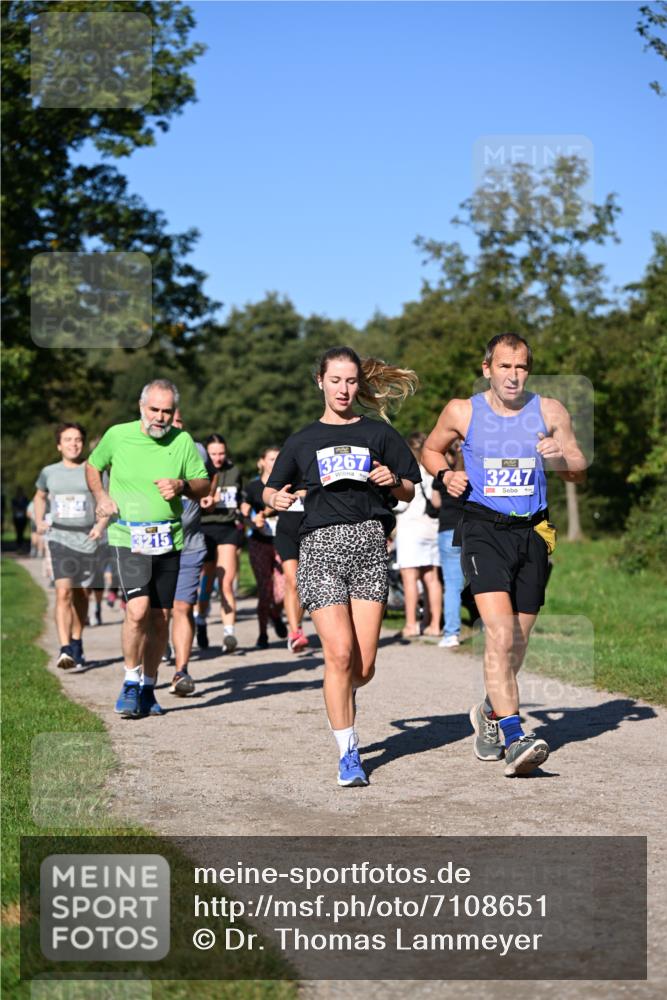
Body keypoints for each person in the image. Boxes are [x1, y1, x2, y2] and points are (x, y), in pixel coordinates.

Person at [423, 333, 586, 776]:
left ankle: (490, 714)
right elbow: (431, 449)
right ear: (486, 369)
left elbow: (578, 469)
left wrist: (560, 458)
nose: (513, 376)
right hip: (482, 530)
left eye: (521, 367)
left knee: (517, 641)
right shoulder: (463, 410)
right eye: (504, 367)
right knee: (499, 634)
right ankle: (516, 738)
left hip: (533, 533)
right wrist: (444, 476)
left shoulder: (550, 410)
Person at [263, 346, 421, 787]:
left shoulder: (379, 434)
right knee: (338, 654)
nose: (344, 389)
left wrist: (395, 481)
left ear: (359, 384)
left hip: (370, 547)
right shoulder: (302, 440)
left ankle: (342, 694)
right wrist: (274, 498)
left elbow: (409, 489)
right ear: (320, 382)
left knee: (363, 667)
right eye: (335, 380)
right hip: (319, 548)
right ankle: (348, 752)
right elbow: (270, 489)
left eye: (351, 381)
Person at [86, 379, 209, 718]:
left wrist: (182, 485)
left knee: (160, 616)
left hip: (169, 538)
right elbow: (93, 465)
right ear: (142, 407)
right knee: (137, 610)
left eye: (166, 411)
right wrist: (102, 497)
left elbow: (203, 484)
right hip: (129, 537)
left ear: (174, 413)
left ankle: (149, 687)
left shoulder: (182, 441)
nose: (159, 417)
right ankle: (129, 680)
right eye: (154, 409)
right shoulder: (118, 435)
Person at [34, 423, 106, 670]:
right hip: (60, 537)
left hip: (87, 538)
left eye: (77, 440)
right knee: (63, 591)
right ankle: (65, 648)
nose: (73, 444)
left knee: (80, 594)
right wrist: (39, 521)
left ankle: (77, 640)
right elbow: (39, 496)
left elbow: (105, 499)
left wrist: (100, 525)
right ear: (59, 445)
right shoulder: (49, 472)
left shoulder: (92, 470)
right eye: (68, 440)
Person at [167, 409, 209, 696]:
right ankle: (143, 675)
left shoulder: (197, 450)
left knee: (182, 608)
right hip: (152, 545)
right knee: (156, 615)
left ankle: (181, 670)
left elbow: (203, 482)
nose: (173, 424)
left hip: (190, 543)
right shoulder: (140, 451)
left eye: (179, 420)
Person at [196, 435, 244, 653]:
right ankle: (201, 620)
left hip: (227, 528)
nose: (218, 458)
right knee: (206, 581)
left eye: (221, 453)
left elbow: (240, 499)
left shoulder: (234, 471)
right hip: (204, 527)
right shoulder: (198, 470)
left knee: (226, 581)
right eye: (213, 453)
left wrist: (244, 509)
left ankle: (229, 633)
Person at [393, 431, 442, 639]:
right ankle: (434, 624)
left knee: (409, 577)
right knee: (431, 577)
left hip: (410, 528)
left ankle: (411, 624)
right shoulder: (432, 471)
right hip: (432, 527)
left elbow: (402, 504)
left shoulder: (409, 473)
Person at [240, 447, 288, 648]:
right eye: (271, 459)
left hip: (282, 540)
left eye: (278, 459)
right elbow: (243, 512)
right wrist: (253, 523)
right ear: (261, 462)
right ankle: (262, 634)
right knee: (264, 590)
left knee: (283, 589)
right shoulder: (252, 487)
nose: (275, 462)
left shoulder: (286, 484)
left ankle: (275, 614)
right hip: (259, 542)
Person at [429, 440, 467, 647]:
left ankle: (451, 634)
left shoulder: (443, 476)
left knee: (452, 585)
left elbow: (436, 503)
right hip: (474, 529)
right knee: (484, 584)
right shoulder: (475, 472)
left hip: (448, 530)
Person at [11, 487, 29, 551]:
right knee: (18, 531)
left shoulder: (25, 499)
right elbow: (13, 508)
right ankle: (19, 545)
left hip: (23, 517)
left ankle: (20, 545)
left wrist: (22, 510)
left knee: (21, 531)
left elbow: (27, 507)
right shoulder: (14, 499)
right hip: (16, 517)